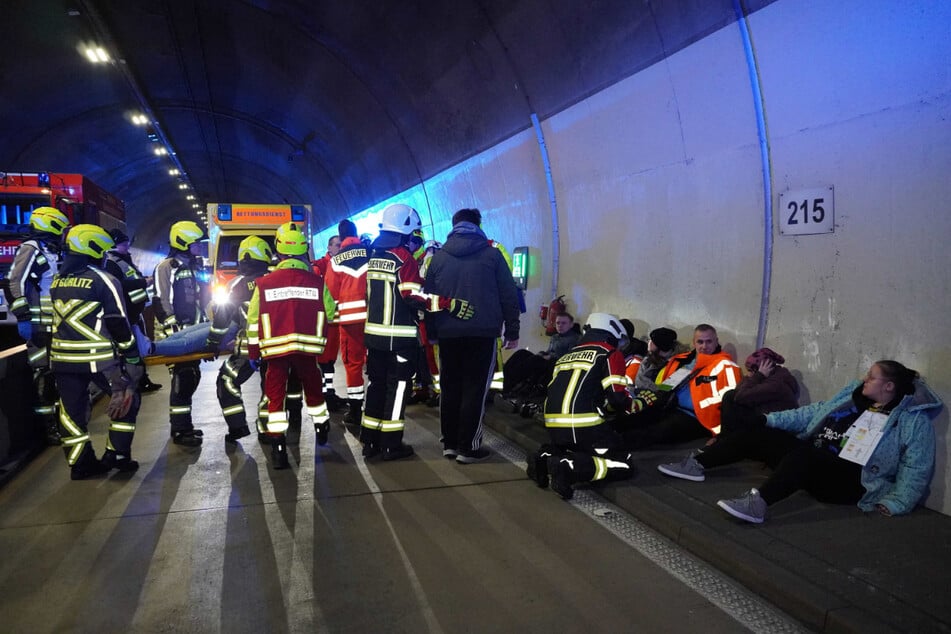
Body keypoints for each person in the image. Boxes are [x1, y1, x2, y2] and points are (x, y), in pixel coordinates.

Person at [658, 360, 943, 523]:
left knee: (805, 455)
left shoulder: (911, 421)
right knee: (759, 433)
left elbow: (916, 465)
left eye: (871, 377)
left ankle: (758, 505)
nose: (864, 379)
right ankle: (697, 464)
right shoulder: (853, 398)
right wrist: (768, 420)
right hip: (816, 458)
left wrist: (899, 502)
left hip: (852, 480)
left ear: (889, 386)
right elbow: (812, 413)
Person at [362, 203, 473, 460]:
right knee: (398, 389)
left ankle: (370, 441)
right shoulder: (403, 258)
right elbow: (413, 295)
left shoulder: (375, 256)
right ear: (406, 230)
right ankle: (391, 444)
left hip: (374, 339)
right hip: (399, 339)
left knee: (376, 386)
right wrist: (449, 303)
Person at [424, 207, 520, 463]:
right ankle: (469, 447)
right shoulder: (492, 255)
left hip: (447, 334)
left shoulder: (438, 258)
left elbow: (429, 298)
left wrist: (432, 333)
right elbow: (508, 294)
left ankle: (450, 443)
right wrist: (512, 329)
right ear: (478, 225)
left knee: (450, 387)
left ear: (453, 225)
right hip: (482, 332)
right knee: (474, 389)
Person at [50, 225, 145, 479]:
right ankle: (117, 454)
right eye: (102, 251)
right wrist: (132, 356)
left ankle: (80, 464)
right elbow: (118, 323)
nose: (105, 256)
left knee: (71, 414)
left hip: (62, 360)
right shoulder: (104, 280)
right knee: (128, 399)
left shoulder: (58, 280)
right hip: (98, 360)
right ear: (92, 249)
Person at [528, 313, 651, 499]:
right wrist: (641, 402)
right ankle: (571, 469)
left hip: (554, 424)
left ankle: (542, 459)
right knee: (623, 463)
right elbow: (617, 399)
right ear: (611, 334)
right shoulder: (609, 353)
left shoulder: (567, 356)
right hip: (584, 425)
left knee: (574, 448)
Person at [247, 222, 329, 469]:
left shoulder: (264, 283)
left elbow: (253, 320)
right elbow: (331, 311)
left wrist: (254, 352)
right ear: (304, 251)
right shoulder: (317, 282)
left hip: (275, 351)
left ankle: (279, 448)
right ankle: (321, 426)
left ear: (279, 252)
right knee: (313, 387)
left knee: (275, 396)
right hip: (307, 348)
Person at [5, 206, 69, 445]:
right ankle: (47, 428)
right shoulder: (31, 249)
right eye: (61, 229)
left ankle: (59, 422)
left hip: (55, 325)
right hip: (39, 328)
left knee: (57, 374)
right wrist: (24, 318)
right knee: (44, 375)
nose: (63, 234)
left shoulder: (50, 250)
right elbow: (15, 282)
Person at [619, 324, 740, 449]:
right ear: (694, 342)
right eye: (700, 342)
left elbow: (730, 405)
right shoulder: (686, 360)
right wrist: (654, 400)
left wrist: (721, 436)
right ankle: (609, 433)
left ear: (716, 341)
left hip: (698, 419)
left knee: (655, 432)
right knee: (636, 417)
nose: (704, 346)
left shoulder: (726, 366)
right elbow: (666, 387)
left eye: (709, 341)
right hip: (670, 405)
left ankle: (616, 445)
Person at [205, 236, 273, 443]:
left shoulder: (235, 284)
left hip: (248, 348)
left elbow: (222, 318)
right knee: (271, 387)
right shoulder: (275, 278)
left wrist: (213, 343)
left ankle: (237, 427)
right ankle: (267, 430)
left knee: (226, 380)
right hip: (276, 346)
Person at [153, 220, 208, 447]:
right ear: (183, 242)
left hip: (193, 333)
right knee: (183, 379)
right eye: (196, 243)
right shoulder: (167, 267)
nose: (199, 247)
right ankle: (180, 429)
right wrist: (172, 331)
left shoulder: (195, 267)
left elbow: (201, 299)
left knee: (192, 377)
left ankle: (185, 424)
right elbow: (161, 300)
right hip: (178, 336)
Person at [104, 228, 162, 393]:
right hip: (126, 312)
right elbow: (119, 284)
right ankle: (135, 382)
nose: (127, 246)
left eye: (127, 243)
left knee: (140, 345)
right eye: (123, 244)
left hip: (135, 312)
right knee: (132, 348)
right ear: (114, 245)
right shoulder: (111, 262)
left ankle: (142, 380)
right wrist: (143, 283)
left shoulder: (124, 259)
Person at [323, 219, 369, 427]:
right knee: (376, 361)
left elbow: (331, 294)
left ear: (341, 237)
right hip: (373, 317)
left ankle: (356, 410)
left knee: (353, 364)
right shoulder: (370, 253)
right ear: (356, 234)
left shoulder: (335, 261)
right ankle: (376, 404)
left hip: (349, 321)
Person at [718, 347, 800, 438]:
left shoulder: (776, 383)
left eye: (752, 371)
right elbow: (737, 392)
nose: (749, 375)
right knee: (730, 396)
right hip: (764, 421)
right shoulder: (768, 378)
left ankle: (724, 440)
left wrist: (759, 375)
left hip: (776, 432)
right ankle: (723, 438)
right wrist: (756, 376)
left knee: (731, 398)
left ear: (765, 368)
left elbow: (741, 397)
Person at [502, 312, 580, 398]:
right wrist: (542, 353)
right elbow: (549, 351)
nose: (560, 325)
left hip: (556, 364)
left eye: (563, 323)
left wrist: (550, 357)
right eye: (558, 323)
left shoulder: (574, 339)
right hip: (547, 359)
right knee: (521, 353)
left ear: (571, 325)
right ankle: (505, 385)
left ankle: (513, 386)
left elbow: (569, 356)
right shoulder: (555, 337)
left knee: (534, 360)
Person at [312, 233, 347, 412]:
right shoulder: (320, 266)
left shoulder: (341, 265)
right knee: (324, 360)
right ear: (329, 248)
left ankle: (329, 392)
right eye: (338, 245)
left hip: (336, 320)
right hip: (325, 321)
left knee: (330, 360)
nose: (340, 249)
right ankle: (325, 394)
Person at [625, 327, 678, 391]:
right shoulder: (648, 360)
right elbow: (639, 383)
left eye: (652, 341)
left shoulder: (677, 367)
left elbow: (664, 391)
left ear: (661, 347)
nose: (649, 342)